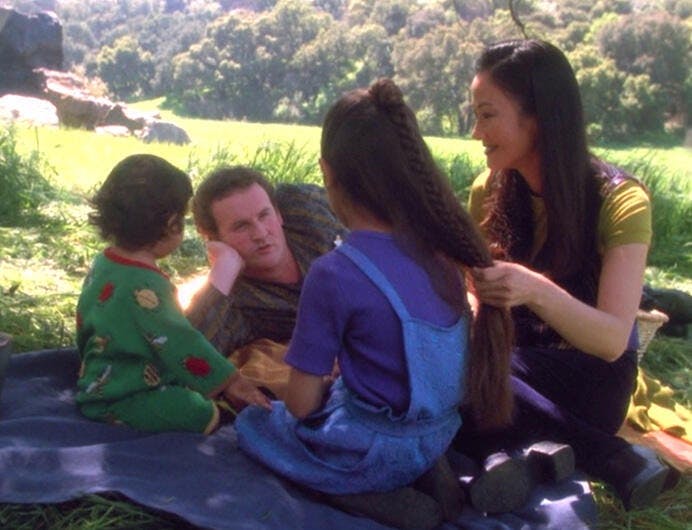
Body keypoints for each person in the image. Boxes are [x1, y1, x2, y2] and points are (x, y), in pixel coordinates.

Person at [233, 78, 516, 530]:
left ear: (328, 173)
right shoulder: (445, 249)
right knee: (361, 401)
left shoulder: (333, 272)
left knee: (256, 428)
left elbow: (304, 405)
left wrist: (309, 388)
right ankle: (431, 474)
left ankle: (367, 496)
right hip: (438, 432)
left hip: (371, 448)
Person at [456, 38, 678, 511]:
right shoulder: (487, 190)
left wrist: (532, 289)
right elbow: (472, 295)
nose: (476, 131)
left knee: (461, 373)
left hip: (591, 379)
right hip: (512, 367)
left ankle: (599, 453)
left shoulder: (620, 201)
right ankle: (532, 458)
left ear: (537, 117)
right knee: (454, 365)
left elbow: (612, 339)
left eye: (487, 114)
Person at [75, 154, 270, 434]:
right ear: (170, 224)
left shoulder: (103, 263)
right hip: (127, 396)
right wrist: (230, 382)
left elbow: (85, 322)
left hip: (97, 382)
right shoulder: (147, 286)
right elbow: (180, 341)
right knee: (197, 410)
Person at [185, 167, 345, 397]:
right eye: (241, 226)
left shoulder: (302, 208)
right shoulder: (237, 302)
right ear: (213, 238)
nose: (260, 233)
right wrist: (224, 270)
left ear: (279, 214)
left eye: (264, 215)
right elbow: (188, 355)